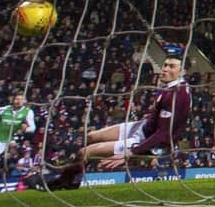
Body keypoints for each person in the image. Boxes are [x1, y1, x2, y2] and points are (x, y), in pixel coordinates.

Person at [41, 55, 192, 190]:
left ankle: (63, 182)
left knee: (85, 152)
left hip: (147, 140)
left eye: (171, 66)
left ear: (183, 71)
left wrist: (133, 152)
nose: (165, 69)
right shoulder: (173, 89)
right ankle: (74, 176)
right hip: (143, 127)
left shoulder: (178, 95)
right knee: (91, 136)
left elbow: (163, 134)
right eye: (165, 65)